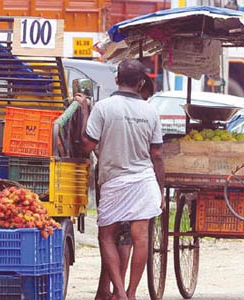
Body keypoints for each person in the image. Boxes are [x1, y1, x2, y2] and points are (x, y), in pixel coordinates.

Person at [77, 59, 165, 300]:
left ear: (117, 79)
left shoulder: (104, 108)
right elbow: (156, 155)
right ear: (140, 83)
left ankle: (120, 293)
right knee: (141, 238)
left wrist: (84, 111)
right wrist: (161, 190)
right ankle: (132, 292)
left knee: (106, 236)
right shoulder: (150, 111)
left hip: (115, 181)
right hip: (145, 181)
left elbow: (87, 145)